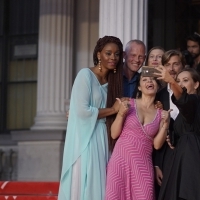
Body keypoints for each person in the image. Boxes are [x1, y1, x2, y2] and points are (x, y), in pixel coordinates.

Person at [58, 36, 124, 200]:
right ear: (99, 54)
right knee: (86, 181)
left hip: (104, 137)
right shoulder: (85, 75)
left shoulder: (113, 82)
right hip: (86, 137)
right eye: (108, 53)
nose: (113, 58)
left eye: (117, 54)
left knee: (102, 184)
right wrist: (112, 110)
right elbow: (81, 111)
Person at [105, 74, 171, 200]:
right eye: (144, 80)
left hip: (143, 164)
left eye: (152, 80)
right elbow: (114, 134)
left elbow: (157, 145)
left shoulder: (160, 113)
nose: (149, 81)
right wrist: (121, 114)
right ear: (139, 87)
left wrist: (165, 124)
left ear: (157, 86)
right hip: (120, 160)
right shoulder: (128, 103)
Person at [155, 67, 200, 200]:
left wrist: (171, 81)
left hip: (191, 161)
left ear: (196, 84)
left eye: (185, 80)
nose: (180, 84)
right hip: (180, 158)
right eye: (178, 81)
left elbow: (184, 100)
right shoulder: (187, 108)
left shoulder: (194, 101)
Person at [153, 49, 185, 198]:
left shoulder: (191, 94)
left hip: (189, 154)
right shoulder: (157, 96)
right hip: (166, 156)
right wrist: (157, 164)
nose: (171, 69)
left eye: (176, 64)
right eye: (167, 65)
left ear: (183, 66)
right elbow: (152, 131)